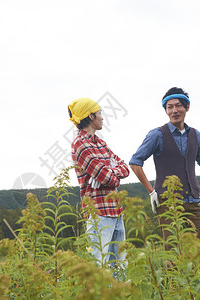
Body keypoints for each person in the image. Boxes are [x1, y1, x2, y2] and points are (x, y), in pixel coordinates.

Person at [129, 87, 200, 272]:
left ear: (187, 108)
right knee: (174, 255)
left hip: (194, 202)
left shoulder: (196, 136)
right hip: (169, 204)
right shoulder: (157, 135)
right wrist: (152, 191)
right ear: (166, 111)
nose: (174, 110)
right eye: (169, 107)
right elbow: (135, 162)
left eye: (178, 106)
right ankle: (175, 291)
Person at [68, 97, 130, 266]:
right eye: (100, 113)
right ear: (91, 116)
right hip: (98, 213)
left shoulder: (101, 143)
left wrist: (110, 172)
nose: (102, 117)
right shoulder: (80, 144)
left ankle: (120, 293)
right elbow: (106, 177)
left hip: (116, 211)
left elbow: (125, 168)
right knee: (99, 265)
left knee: (120, 265)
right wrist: (110, 174)